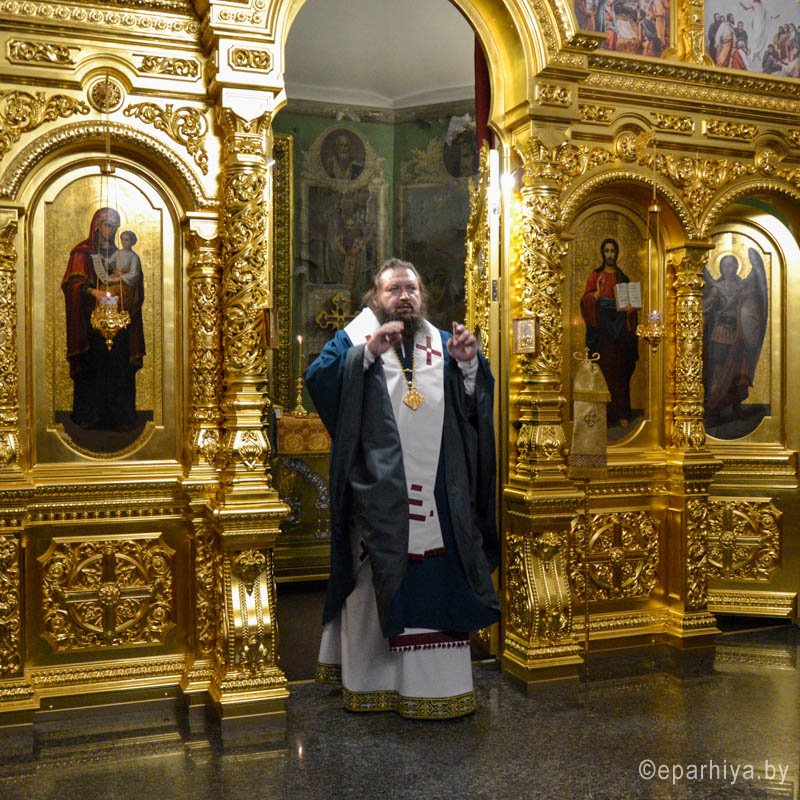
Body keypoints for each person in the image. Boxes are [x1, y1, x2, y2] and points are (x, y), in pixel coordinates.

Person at [306, 258, 499, 719]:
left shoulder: (445, 343)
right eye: (393, 289)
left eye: (411, 288)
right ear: (376, 296)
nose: (404, 296)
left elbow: (472, 410)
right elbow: (318, 379)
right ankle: (372, 682)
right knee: (374, 581)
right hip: (378, 494)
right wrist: (366, 355)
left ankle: (438, 686)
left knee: (438, 581)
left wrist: (469, 367)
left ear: (421, 295)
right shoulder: (353, 339)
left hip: (437, 494)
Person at [61, 208, 146, 432]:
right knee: (94, 366)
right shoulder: (82, 253)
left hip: (120, 321)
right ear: (97, 226)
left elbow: (136, 283)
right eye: (107, 225)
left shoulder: (122, 254)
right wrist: (93, 292)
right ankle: (89, 415)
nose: (111, 230)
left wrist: (127, 281)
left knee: (120, 367)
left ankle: (121, 417)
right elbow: (73, 285)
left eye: (114, 227)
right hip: (90, 323)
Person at [580, 238, 639, 429]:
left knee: (621, 372)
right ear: (602, 253)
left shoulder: (623, 278)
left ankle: (621, 413)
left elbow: (631, 307)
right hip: (603, 330)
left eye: (613, 251)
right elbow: (586, 302)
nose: (610, 255)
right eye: (607, 251)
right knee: (604, 371)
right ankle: (602, 414)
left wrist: (630, 311)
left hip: (620, 330)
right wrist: (597, 294)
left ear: (617, 253)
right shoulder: (595, 275)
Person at [703, 250, 767, 422]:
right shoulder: (716, 288)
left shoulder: (743, 286)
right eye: (725, 266)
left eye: (732, 265)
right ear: (721, 268)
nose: (729, 269)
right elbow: (705, 305)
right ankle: (714, 407)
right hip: (720, 333)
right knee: (718, 371)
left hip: (738, 336)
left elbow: (751, 308)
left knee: (738, 372)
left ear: (737, 267)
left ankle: (735, 408)